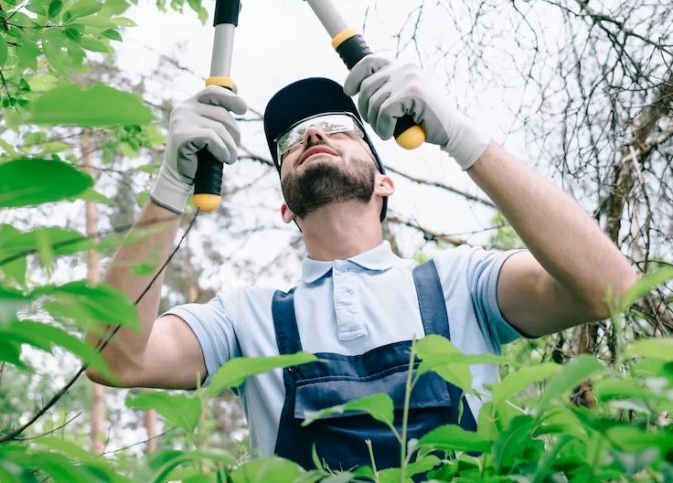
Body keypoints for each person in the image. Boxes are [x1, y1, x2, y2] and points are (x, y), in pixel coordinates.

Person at [86, 56, 637, 472]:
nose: (314, 135)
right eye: (293, 141)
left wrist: (460, 135)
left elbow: (609, 288)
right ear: (285, 206)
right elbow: (115, 360)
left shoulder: (461, 284)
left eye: (339, 129)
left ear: (384, 181)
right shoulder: (242, 320)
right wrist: (169, 188)